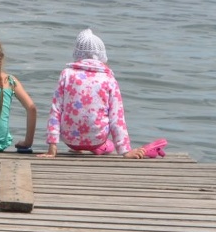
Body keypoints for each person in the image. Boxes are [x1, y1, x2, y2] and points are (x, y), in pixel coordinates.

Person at [42, 29, 147, 159]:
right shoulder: (109, 79)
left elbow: (56, 110)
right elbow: (117, 119)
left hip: (70, 140)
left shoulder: (66, 74)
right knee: (109, 146)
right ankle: (102, 147)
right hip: (96, 140)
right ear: (102, 57)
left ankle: (78, 147)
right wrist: (126, 151)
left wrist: (52, 145)